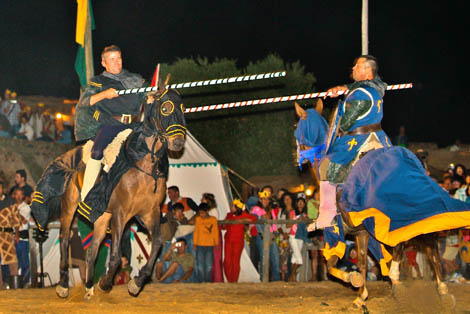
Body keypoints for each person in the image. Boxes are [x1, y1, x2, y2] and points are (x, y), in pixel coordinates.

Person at [317, 55, 392, 228]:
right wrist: (343, 88)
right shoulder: (377, 88)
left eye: (357, 66)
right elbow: (363, 85)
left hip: (359, 138)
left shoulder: (360, 94)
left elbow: (346, 123)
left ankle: (327, 215)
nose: (353, 69)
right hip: (380, 138)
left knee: (325, 166)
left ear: (367, 71)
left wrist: (341, 112)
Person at [73, 45, 145, 205]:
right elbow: (84, 102)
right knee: (97, 150)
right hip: (111, 124)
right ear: (104, 63)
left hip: (135, 124)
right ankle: (87, 197)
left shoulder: (135, 79)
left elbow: (146, 95)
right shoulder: (98, 82)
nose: (117, 62)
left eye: (118, 58)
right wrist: (104, 94)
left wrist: (151, 98)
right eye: (112, 59)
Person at [222, 199, 257, 283]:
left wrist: (242, 221)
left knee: (235, 261)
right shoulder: (229, 215)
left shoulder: (244, 214)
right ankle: (230, 279)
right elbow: (223, 226)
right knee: (227, 261)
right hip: (228, 240)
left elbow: (254, 218)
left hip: (238, 241)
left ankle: (234, 280)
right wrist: (226, 222)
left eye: (232, 206)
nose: (231, 207)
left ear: (237, 207)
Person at [251, 190, 281, 281]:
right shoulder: (256, 209)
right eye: (263, 199)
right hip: (262, 235)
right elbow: (255, 220)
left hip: (271, 235)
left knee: (275, 258)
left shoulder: (270, 210)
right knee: (264, 259)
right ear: (260, 200)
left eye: (267, 199)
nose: (266, 201)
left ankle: (276, 279)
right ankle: (263, 279)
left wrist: (275, 232)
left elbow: (274, 222)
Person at [0, 181, 20, 289]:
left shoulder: (10, 202)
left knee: (12, 259)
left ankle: (14, 284)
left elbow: (16, 220)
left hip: (7, 234)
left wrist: (17, 234)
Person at [193, 203, 219, 282]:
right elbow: (196, 231)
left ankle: (208, 281)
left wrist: (216, 243)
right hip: (200, 245)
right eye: (200, 213)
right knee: (200, 265)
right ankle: (201, 281)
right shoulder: (198, 219)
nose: (201, 215)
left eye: (202, 213)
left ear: (207, 211)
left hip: (209, 245)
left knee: (209, 265)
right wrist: (195, 243)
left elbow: (215, 232)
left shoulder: (213, 220)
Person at [200, 193, 223, 282]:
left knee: (216, 258)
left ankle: (217, 279)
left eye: (203, 199)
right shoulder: (206, 211)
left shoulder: (213, 210)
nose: (201, 200)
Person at [12, 188, 31, 284]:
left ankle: (25, 281)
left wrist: (13, 211)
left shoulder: (26, 207)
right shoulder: (10, 206)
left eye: (21, 194)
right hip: (11, 236)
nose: (19, 196)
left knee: (24, 261)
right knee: (14, 261)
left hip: (22, 237)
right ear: (14, 195)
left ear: (23, 196)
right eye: (17, 194)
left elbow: (21, 220)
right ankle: (14, 282)